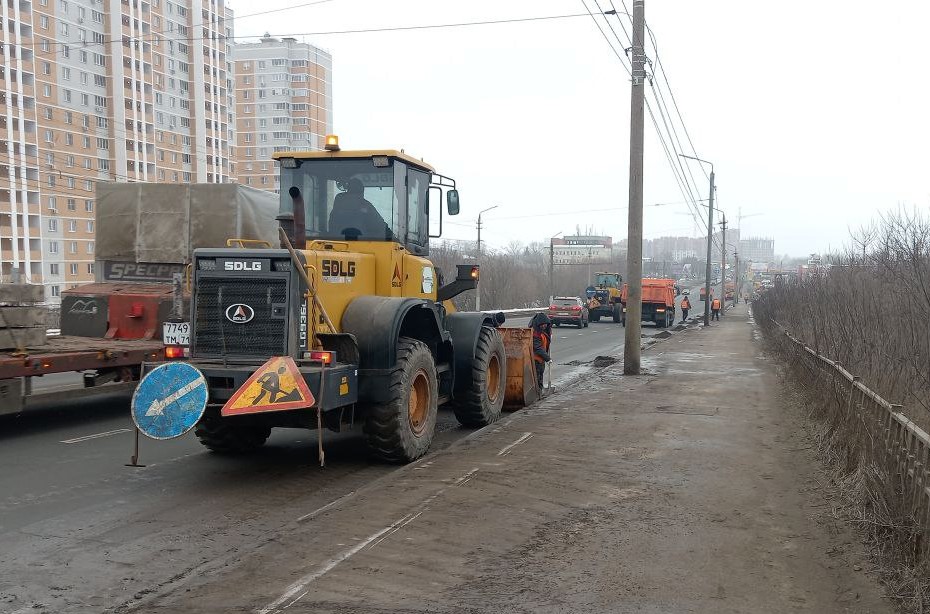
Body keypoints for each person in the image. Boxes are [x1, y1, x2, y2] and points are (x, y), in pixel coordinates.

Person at [529, 313, 552, 390]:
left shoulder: (544, 330)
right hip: (536, 359)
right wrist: (547, 358)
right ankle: (538, 391)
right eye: (542, 325)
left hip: (541, 359)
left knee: (540, 374)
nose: (544, 326)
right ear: (539, 324)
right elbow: (538, 348)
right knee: (537, 377)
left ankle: (539, 389)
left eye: (545, 324)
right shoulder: (536, 333)